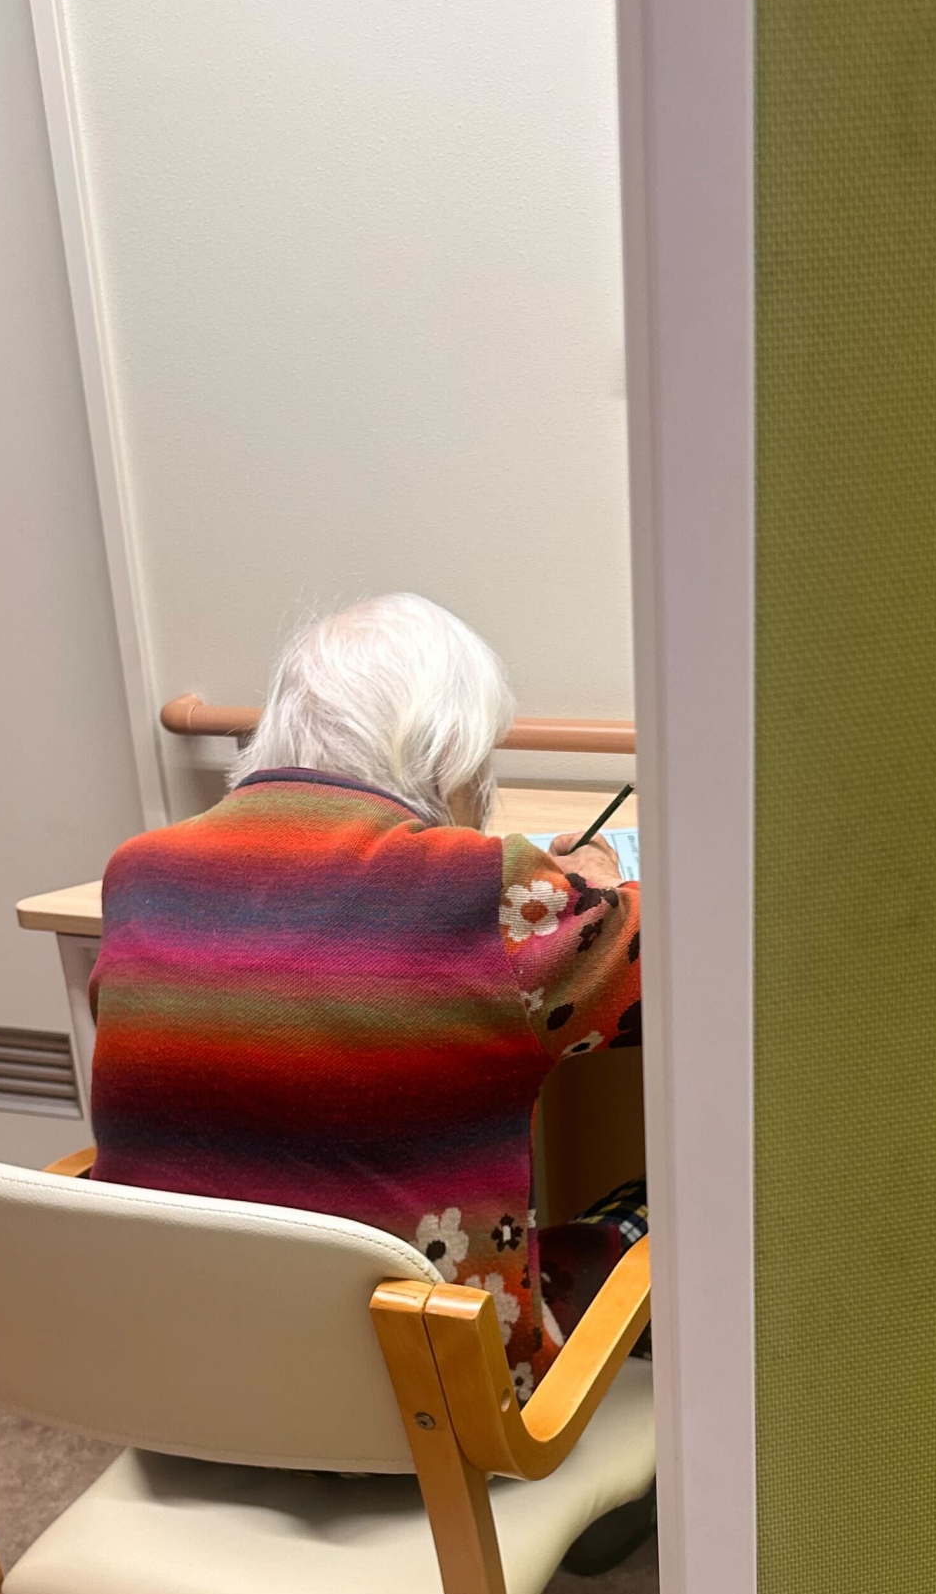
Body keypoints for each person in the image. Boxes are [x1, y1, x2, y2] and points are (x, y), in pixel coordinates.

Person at [87, 594, 644, 1402]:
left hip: (186, 1387)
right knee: (658, 1213)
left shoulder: (139, 873)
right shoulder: (491, 892)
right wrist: (592, 882)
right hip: (438, 1402)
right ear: (452, 758)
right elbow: (678, 966)